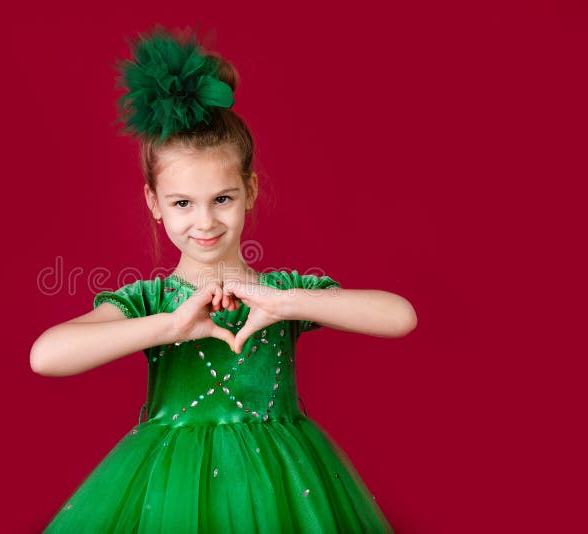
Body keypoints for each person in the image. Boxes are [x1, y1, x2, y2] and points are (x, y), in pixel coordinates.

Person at [30, 25, 416, 533]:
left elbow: (400, 316)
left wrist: (286, 303)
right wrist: (169, 327)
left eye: (223, 199)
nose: (205, 222)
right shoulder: (150, 300)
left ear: (250, 190)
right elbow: (46, 355)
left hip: (285, 487)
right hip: (169, 491)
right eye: (183, 203)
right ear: (154, 204)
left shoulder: (279, 295)